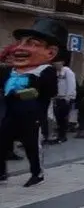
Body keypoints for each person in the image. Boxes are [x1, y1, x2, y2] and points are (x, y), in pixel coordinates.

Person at [0, 18, 67, 186]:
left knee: (32, 146)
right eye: (20, 42)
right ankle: (1, 173)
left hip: (33, 115)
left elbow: (50, 92)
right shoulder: (11, 70)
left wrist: (27, 94)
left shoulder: (45, 71)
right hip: (11, 113)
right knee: (1, 142)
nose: (20, 48)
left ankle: (37, 174)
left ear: (50, 52)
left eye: (32, 43)